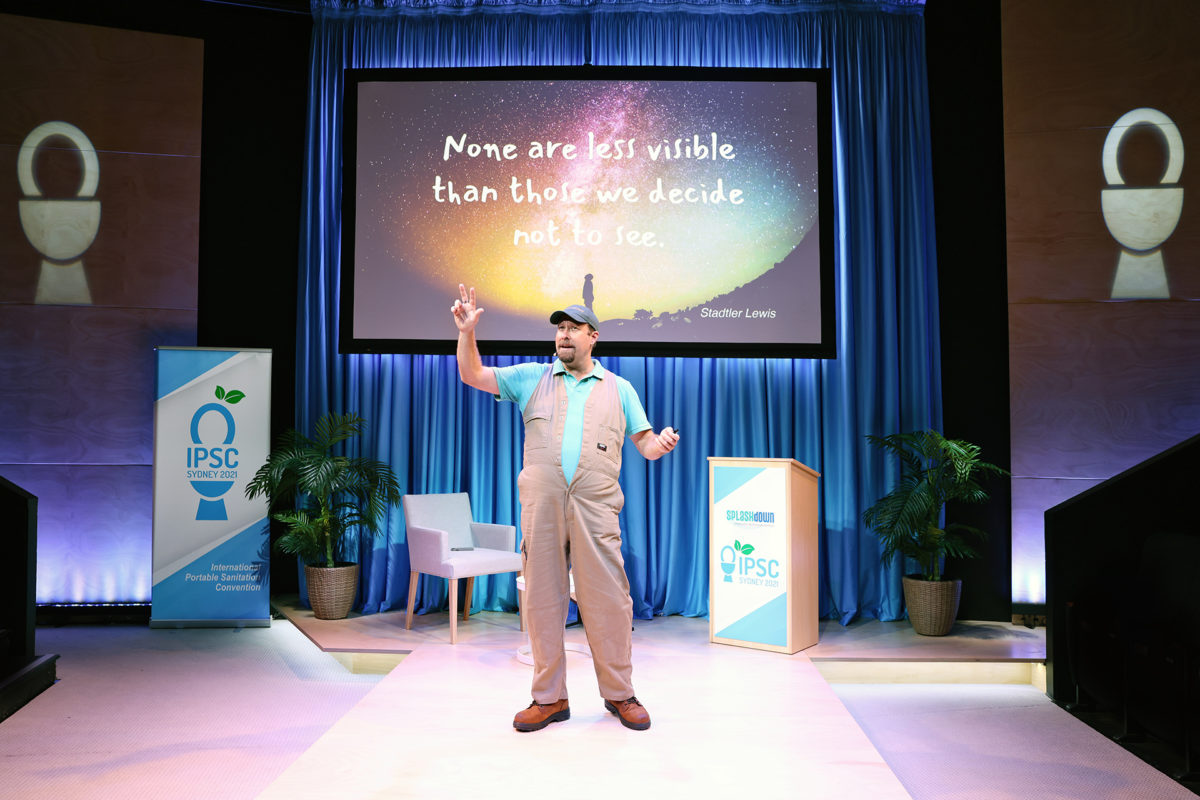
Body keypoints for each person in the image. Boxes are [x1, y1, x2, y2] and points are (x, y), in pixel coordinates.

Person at [451, 283, 679, 732]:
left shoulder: (620, 389)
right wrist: (466, 333)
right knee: (541, 600)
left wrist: (661, 443)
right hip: (542, 510)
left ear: (593, 336)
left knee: (610, 601)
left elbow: (645, 445)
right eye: (560, 328)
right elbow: (472, 374)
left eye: (574, 328)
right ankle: (549, 698)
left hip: (596, 510)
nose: (564, 335)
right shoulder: (532, 378)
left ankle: (620, 695)